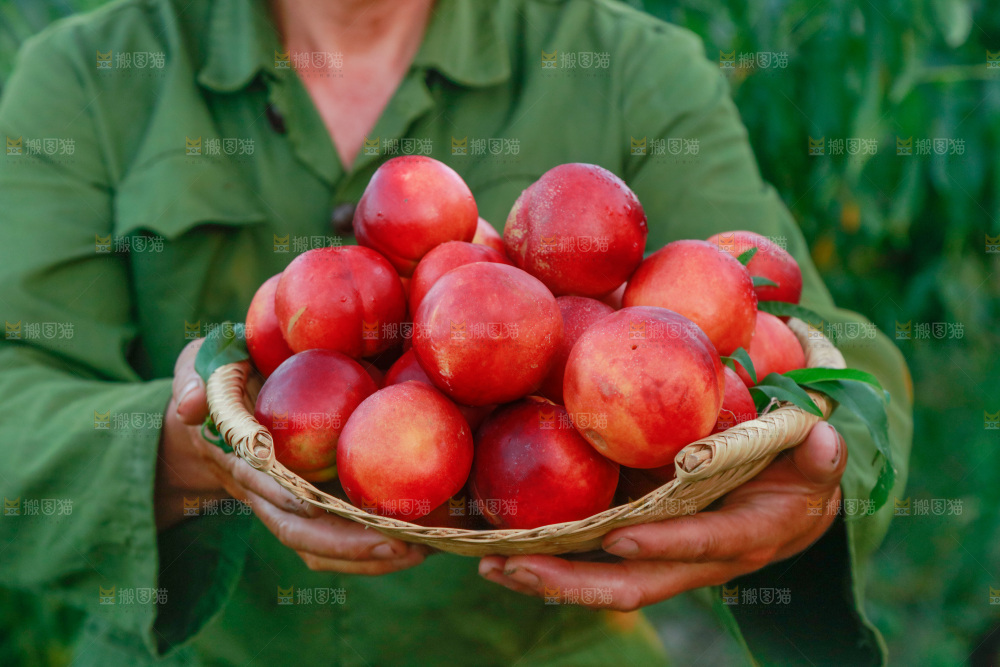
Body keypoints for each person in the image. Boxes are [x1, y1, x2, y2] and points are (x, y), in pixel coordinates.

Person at [0, 0, 913, 664]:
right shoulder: (86, 73)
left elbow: (819, 342)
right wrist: (176, 450)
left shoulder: (629, 61)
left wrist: (820, 478)